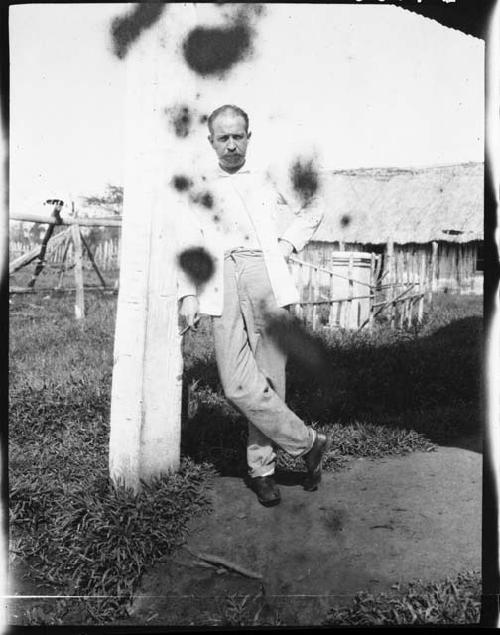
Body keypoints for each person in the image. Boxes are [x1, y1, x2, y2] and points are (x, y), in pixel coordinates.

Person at [177, 104, 332, 506]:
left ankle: (262, 469)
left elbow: (314, 205)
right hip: (219, 277)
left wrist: (284, 246)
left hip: (262, 269)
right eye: (223, 137)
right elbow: (189, 241)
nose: (231, 145)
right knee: (234, 382)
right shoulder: (200, 184)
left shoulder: (268, 174)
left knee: (269, 374)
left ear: (249, 137)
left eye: (238, 136)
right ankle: (308, 443)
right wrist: (189, 293)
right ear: (211, 141)